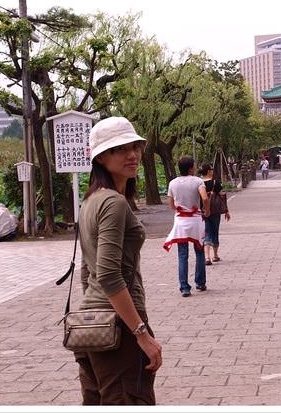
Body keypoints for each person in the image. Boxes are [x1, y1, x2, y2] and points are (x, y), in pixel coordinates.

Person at [76, 116, 162, 405]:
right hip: (119, 328)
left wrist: (91, 314)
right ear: (101, 157)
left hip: (92, 326)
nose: (132, 155)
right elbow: (109, 274)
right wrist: (141, 333)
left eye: (135, 147)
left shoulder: (90, 201)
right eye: (120, 149)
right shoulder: (113, 203)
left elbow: (87, 273)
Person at [164, 157, 210, 295]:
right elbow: (205, 198)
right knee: (200, 251)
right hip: (195, 220)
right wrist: (207, 210)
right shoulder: (198, 181)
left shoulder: (173, 183)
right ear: (191, 168)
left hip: (181, 222)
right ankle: (200, 283)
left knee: (182, 254)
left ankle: (184, 287)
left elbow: (171, 205)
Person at [199, 163, 231, 265]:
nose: (213, 171)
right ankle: (215, 255)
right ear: (208, 171)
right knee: (214, 231)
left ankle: (207, 257)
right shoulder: (215, 182)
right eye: (211, 169)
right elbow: (222, 195)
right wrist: (226, 210)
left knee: (206, 232)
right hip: (215, 211)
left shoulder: (199, 183)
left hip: (203, 210)